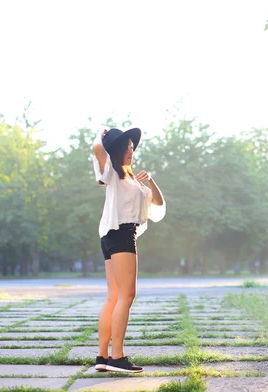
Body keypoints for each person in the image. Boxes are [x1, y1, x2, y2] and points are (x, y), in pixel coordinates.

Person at [91, 127, 166, 373]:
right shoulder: (112, 172)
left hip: (112, 235)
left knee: (114, 296)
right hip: (121, 235)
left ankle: (102, 357)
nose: (131, 151)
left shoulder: (131, 179)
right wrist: (100, 134)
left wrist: (151, 180)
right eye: (127, 147)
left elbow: (158, 204)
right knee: (127, 295)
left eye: (133, 147)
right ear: (117, 150)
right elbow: (97, 149)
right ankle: (117, 357)